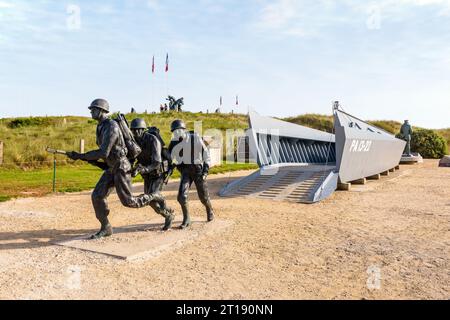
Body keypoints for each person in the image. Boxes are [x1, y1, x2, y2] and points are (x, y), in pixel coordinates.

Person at [66, 99, 166, 239]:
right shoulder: (100, 126)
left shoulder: (111, 126)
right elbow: (103, 154)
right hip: (112, 167)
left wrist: (81, 156)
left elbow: (103, 152)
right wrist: (81, 157)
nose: (91, 111)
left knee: (129, 201)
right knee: (97, 196)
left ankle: (155, 196)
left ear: (102, 110)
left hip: (121, 167)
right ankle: (106, 227)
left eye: (93, 109)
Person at [168, 120, 215, 229]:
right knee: (181, 196)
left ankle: (209, 210)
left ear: (183, 130)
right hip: (185, 171)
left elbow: (206, 155)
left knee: (203, 197)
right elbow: (170, 158)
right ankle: (187, 218)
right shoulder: (174, 142)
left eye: (178, 131)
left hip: (198, 171)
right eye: (174, 132)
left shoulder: (195, 138)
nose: (176, 134)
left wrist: (205, 171)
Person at [130, 118, 174, 230]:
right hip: (147, 174)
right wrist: (134, 168)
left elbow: (157, 162)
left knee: (152, 196)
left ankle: (168, 216)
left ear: (143, 130)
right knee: (151, 202)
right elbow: (133, 157)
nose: (135, 132)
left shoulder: (153, 140)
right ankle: (167, 212)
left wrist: (143, 169)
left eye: (138, 130)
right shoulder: (134, 141)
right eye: (133, 130)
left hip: (158, 172)